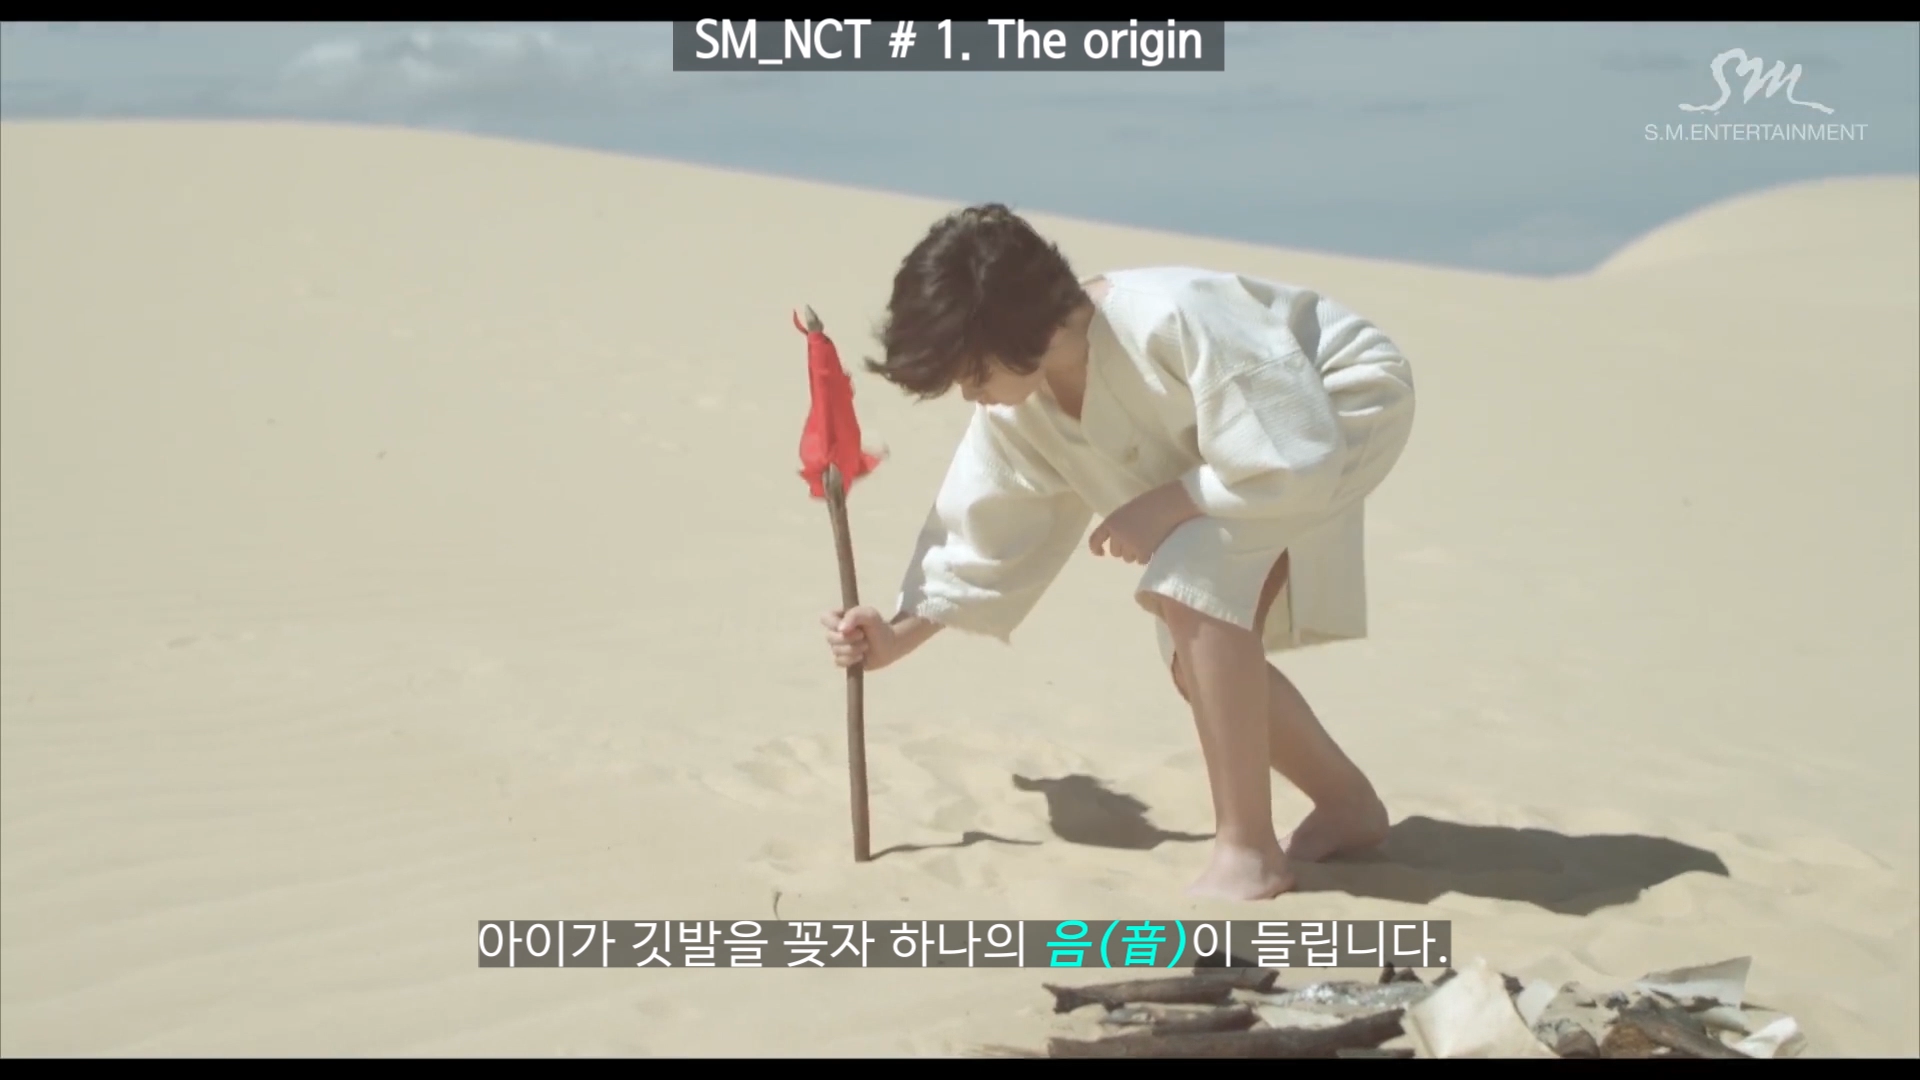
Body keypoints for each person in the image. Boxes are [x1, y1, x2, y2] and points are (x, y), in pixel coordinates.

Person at [818, 204, 1416, 900]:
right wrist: (895, 635)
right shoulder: (1017, 404)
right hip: (1250, 460)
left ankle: (1248, 850)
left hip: (1336, 405)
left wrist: (1169, 503)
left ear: (1023, 328)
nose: (968, 393)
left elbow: (1295, 448)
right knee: (1193, 657)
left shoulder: (1172, 314)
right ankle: (1346, 805)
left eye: (971, 371)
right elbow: (986, 527)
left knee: (1194, 580)